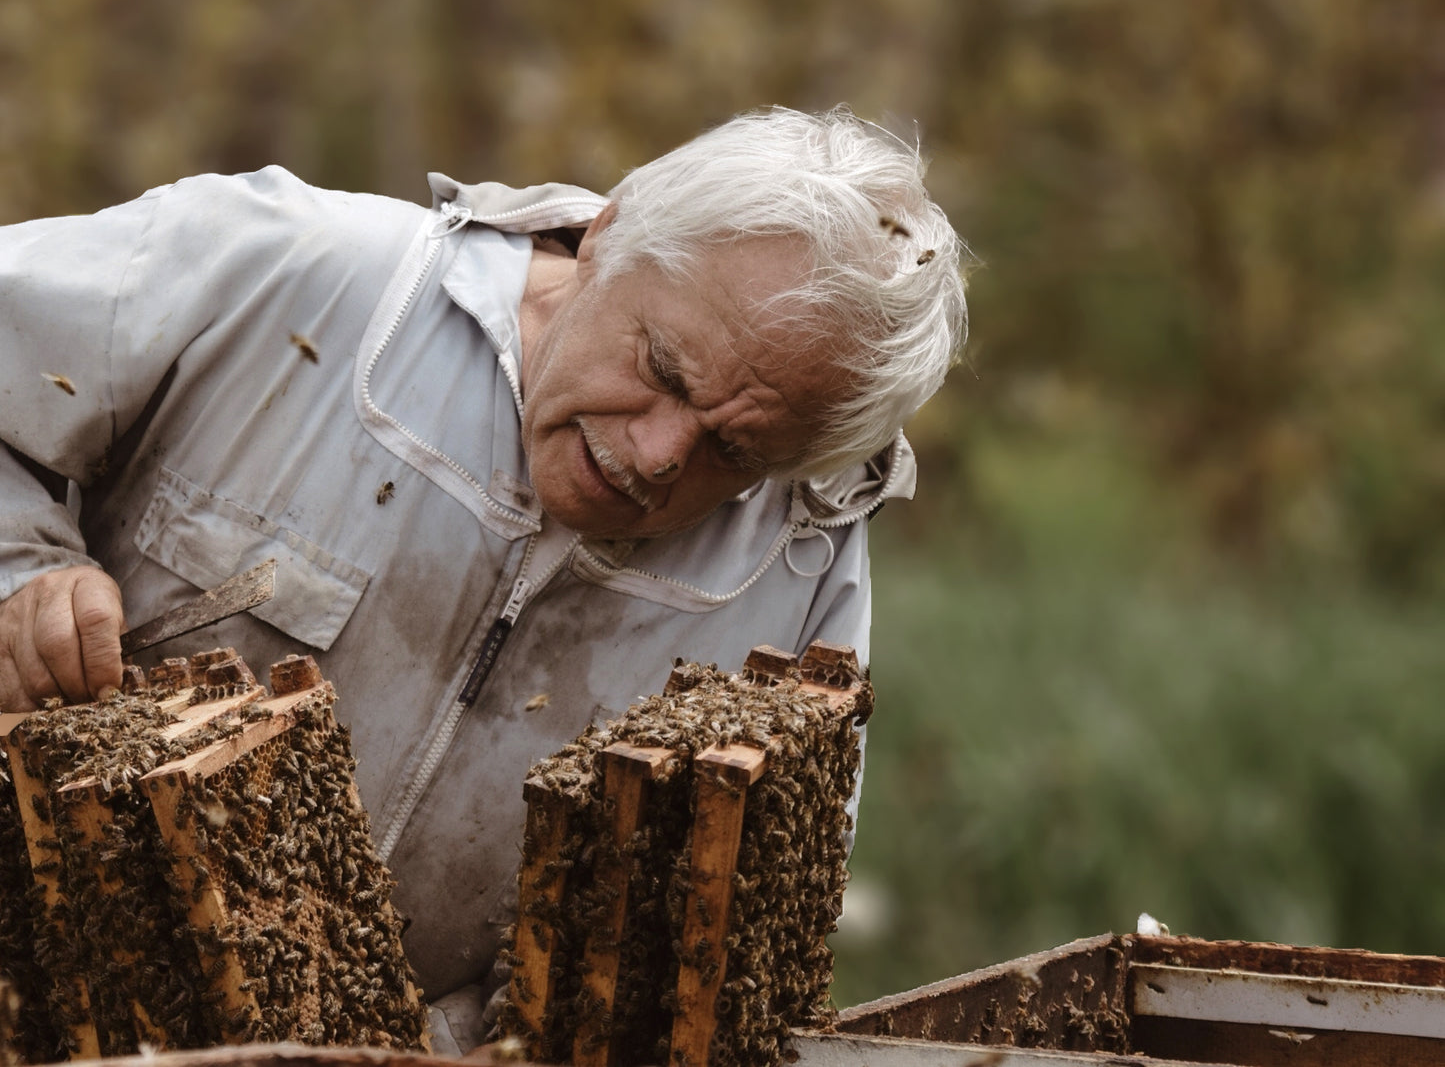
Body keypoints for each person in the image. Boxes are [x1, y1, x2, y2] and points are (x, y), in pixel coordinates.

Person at [0, 106, 967, 1049]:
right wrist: (19, 569)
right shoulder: (289, 267)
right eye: (664, 369)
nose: (662, 454)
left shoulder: (803, 554)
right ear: (609, 233)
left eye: (737, 449)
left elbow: (726, 944)